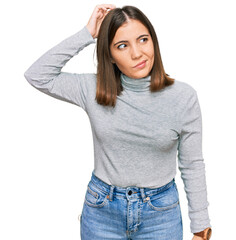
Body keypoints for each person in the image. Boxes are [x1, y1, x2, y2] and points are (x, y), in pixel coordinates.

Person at [24, 4, 212, 240]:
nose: (137, 53)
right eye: (122, 46)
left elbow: (192, 164)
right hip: (102, 210)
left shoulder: (183, 97)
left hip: (161, 214)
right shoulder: (93, 89)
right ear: (110, 56)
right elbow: (37, 75)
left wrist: (201, 228)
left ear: (153, 40)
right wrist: (88, 34)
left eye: (143, 40)